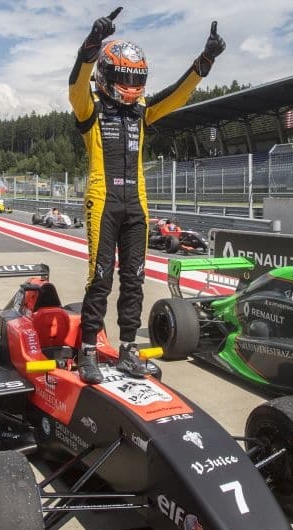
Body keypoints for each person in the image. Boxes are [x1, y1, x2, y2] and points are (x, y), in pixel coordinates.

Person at [70, 7, 225, 382]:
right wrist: (90, 46)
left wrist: (204, 61)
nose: (130, 84)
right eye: (123, 76)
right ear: (106, 75)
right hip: (102, 202)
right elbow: (76, 84)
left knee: (135, 279)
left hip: (137, 204)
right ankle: (88, 351)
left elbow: (176, 95)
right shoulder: (89, 109)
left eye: (136, 77)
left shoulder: (141, 112)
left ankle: (127, 350)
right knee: (100, 278)